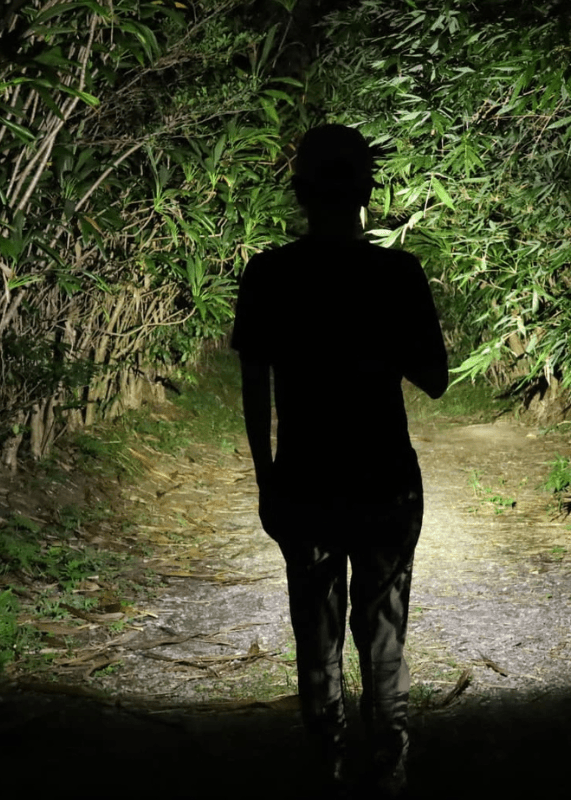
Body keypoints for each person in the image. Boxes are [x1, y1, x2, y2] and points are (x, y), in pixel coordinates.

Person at [231, 123, 448, 797]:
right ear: (365, 193)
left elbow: (255, 388)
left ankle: (323, 762)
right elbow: (436, 378)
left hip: (305, 479)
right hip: (384, 479)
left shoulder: (270, 274)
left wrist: (267, 481)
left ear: (300, 194)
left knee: (315, 628)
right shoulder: (396, 273)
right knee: (382, 629)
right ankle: (388, 766)